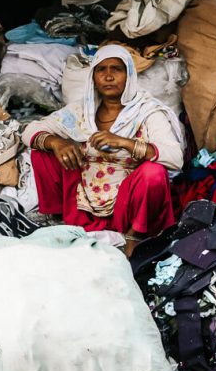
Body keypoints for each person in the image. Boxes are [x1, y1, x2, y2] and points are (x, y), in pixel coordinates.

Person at [21, 44, 184, 254]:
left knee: (153, 173)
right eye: (101, 70)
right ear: (93, 78)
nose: (108, 76)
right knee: (43, 148)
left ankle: (135, 235)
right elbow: (30, 131)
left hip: (127, 207)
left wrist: (125, 143)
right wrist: (57, 142)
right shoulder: (82, 111)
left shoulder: (147, 112)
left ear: (129, 75)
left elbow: (175, 158)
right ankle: (57, 218)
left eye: (116, 69)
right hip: (83, 200)